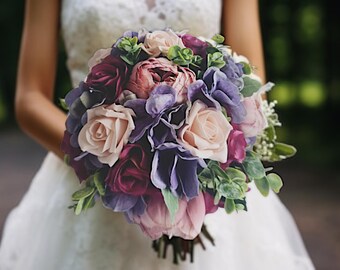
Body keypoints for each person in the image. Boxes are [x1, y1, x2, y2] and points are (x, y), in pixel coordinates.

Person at [0, 0, 315, 269]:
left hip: (201, 184)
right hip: (87, 173)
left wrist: (191, 171)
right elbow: (29, 99)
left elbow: (252, 83)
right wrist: (115, 167)